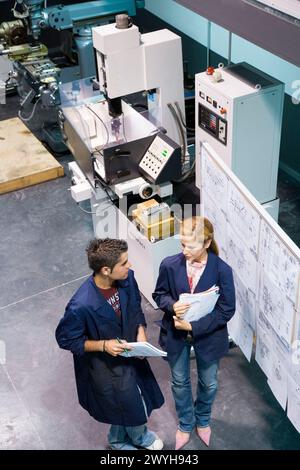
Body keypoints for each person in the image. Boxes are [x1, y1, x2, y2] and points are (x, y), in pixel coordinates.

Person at [56, 238, 164, 450]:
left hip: (131, 353)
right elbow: (66, 339)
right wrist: (104, 345)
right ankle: (135, 439)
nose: (129, 266)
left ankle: (119, 439)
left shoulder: (127, 279)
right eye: (124, 263)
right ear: (106, 269)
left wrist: (141, 332)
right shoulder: (80, 305)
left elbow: (134, 307)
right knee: (130, 401)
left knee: (128, 400)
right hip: (105, 365)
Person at [153, 216, 235, 450]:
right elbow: (159, 294)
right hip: (176, 337)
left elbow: (227, 309)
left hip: (208, 337)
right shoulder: (169, 264)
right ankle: (186, 424)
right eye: (182, 245)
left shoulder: (222, 270)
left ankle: (203, 419)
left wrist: (194, 327)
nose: (185, 251)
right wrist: (171, 306)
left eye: (191, 246)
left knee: (208, 383)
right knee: (179, 382)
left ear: (207, 243)